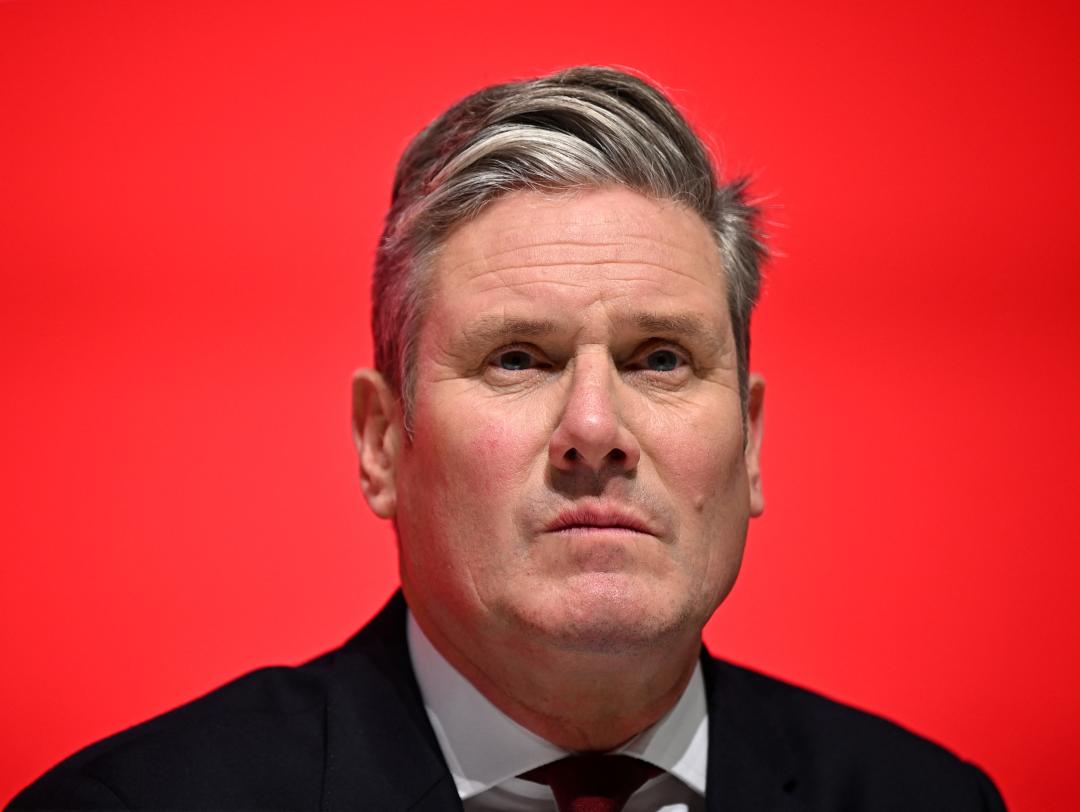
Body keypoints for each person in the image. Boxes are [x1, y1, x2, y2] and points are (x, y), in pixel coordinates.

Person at [10, 66, 1005, 811]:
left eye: (660, 358)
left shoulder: (926, 798)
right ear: (382, 440)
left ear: (747, 442)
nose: (595, 428)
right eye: (518, 358)